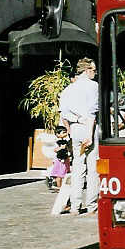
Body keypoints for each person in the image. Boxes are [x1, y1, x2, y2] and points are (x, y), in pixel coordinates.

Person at [59, 58, 99, 214]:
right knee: (92, 168)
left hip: (75, 129)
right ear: (87, 70)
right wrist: (89, 132)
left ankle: (75, 206)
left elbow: (64, 114)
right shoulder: (93, 87)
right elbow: (92, 113)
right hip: (89, 128)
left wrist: (73, 125)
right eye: (94, 70)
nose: (95, 73)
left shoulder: (68, 89)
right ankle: (91, 205)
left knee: (77, 167)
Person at [48, 125, 72, 192]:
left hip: (65, 158)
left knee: (65, 172)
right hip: (59, 159)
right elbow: (55, 150)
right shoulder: (56, 142)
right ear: (57, 134)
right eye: (63, 132)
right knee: (59, 174)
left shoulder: (66, 141)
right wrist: (62, 147)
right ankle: (59, 187)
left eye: (65, 132)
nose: (65, 134)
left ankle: (64, 187)